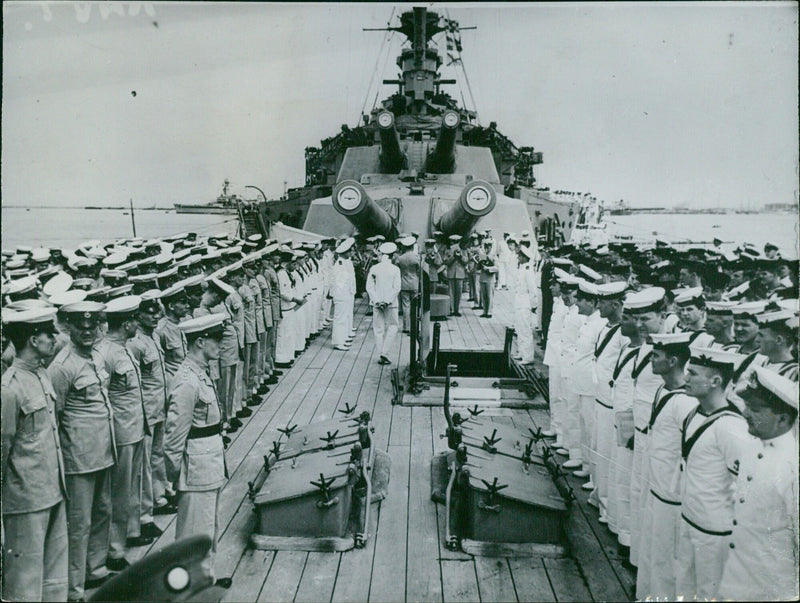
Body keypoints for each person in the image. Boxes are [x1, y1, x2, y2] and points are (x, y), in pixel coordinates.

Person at [48, 301, 116, 601]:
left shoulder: (97, 357)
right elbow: (56, 416)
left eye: (92, 326)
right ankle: (74, 589)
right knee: (79, 524)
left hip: (103, 450)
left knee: (102, 513)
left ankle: (96, 569)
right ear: (68, 328)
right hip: (79, 458)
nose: (87, 332)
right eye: (81, 327)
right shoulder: (61, 367)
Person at [2, 307, 68, 602]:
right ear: (32, 339)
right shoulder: (9, 388)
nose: (54, 338)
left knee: (54, 579)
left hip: (53, 489)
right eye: (48, 333)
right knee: (24, 584)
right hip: (26, 499)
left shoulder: (41, 375)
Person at [676, 347, 750, 600]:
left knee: (710, 593)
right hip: (689, 517)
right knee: (684, 588)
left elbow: (745, 486)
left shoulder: (731, 427)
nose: (685, 378)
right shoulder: (694, 413)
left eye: (693, 374)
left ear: (715, 381)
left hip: (715, 531)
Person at [719, 366, 799, 601]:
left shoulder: (793, 467)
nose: (744, 413)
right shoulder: (753, 445)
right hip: (738, 577)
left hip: (772, 588)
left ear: (783, 418)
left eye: (754, 409)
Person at [163, 313, 229, 581]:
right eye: (216, 339)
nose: (220, 344)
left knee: (208, 529)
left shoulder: (199, 373)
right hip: (195, 469)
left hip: (208, 463)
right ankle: (188, 591)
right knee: (193, 534)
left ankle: (205, 582)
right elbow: (174, 437)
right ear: (200, 342)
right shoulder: (187, 380)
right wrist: (174, 475)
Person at [635, 332, 696, 601]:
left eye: (656, 356)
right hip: (656, 486)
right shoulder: (662, 389)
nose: (650, 358)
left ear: (672, 361)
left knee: (668, 559)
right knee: (652, 553)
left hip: (673, 495)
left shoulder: (687, 403)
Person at [94, 295, 150, 570]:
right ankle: (114, 550)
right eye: (135, 321)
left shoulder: (125, 348)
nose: (137, 325)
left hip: (135, 429)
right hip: (121, 433)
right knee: (118, 493)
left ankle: (131, 532)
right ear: (126, 323)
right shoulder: (106, 353)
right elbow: (102, 398)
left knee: (132, 486)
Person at [127, 292, 174, 523]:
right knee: (144, 461)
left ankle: (160, 496)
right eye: (149, 312)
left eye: (157, 311)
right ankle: (144, 513)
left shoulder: (154, 336)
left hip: (159, 405)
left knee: (157, 454)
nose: (155, 316)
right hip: (146, 409)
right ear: (137, 316)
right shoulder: (136, 344)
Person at [366, 242, 402, 365]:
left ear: (382, 254)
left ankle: (380, 353)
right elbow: (397, 288)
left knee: (378, 328)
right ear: (392, 255)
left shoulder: (374, 268)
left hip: (377, 303)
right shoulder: (395, 269)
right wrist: (387, 301)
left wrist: (377, 300)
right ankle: (384, 352)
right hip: (391, 304)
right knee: (393, 326)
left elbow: (369, 287)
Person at [330, 239, 356, 351]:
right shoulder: (340, 265)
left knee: (344, 318)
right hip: (341, 296)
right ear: (345, 252)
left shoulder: (345, 262)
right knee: (340, 319)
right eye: (350, 251)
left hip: (346, 295)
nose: (351, 252)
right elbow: (340, 284)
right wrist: (342, 297)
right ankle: (338, 342)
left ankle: (343, 338)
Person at [395, 236, 420, 333]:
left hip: (404, 283)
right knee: (415, 305)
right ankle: (415, 326)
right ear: (412, 246)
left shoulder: (400, 258)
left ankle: (406, 327)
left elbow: (397, 269)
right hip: (414, 283)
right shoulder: (416, 257)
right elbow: (419, 270)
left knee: (406, 306)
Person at [444, 235, 467, 316]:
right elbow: (446, 262)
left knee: (458, 293)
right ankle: (451, 310)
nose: (455, 244)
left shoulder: (463, 251)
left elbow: (465, 261)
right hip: (451, 273)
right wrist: (453, 257)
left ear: (459, 242)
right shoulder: (447, 251)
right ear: (451, 242)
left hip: (460, 274)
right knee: (451, 293)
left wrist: (460, 257)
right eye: (454, 242)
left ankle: (456, 310)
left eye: (457, 242)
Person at [477, 239, 498, 318]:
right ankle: (484, 311)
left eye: (488, 247)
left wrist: (488, 269)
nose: (486, 248)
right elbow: (478, 267)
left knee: (490, 296)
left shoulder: (493, 255)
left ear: (491, 247)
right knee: (484, 296)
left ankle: (489, 312)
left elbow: (497, 267)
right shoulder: (482, 255)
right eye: (485, 246)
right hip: (482, 277)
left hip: (490, 278)